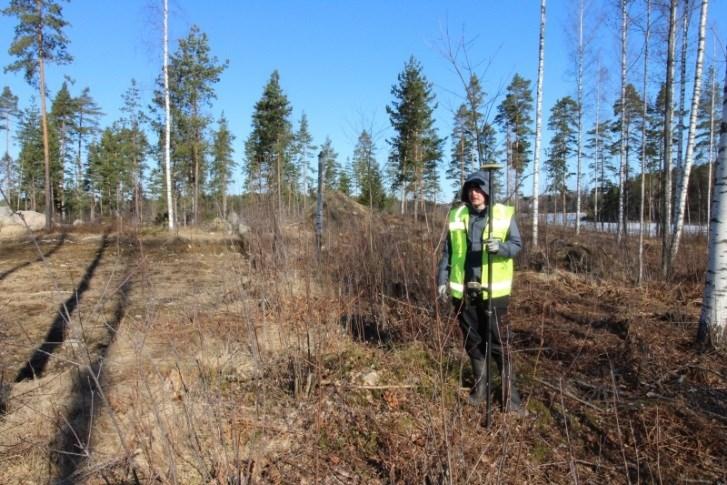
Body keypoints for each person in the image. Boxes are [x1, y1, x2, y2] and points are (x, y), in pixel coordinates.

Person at [436, 169, 525, 413]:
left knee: (497, 343)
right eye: (471, 189)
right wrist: (442, 279)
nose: (475, 193)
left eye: (479, 189)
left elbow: (517, 245)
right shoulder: (457, 215)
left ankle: (512, 401)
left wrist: (501, 248)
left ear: (487, 191)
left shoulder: (502, 215)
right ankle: (480, 390)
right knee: (472, 341)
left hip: (493, 293)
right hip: (464, 291)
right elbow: (448, 253)